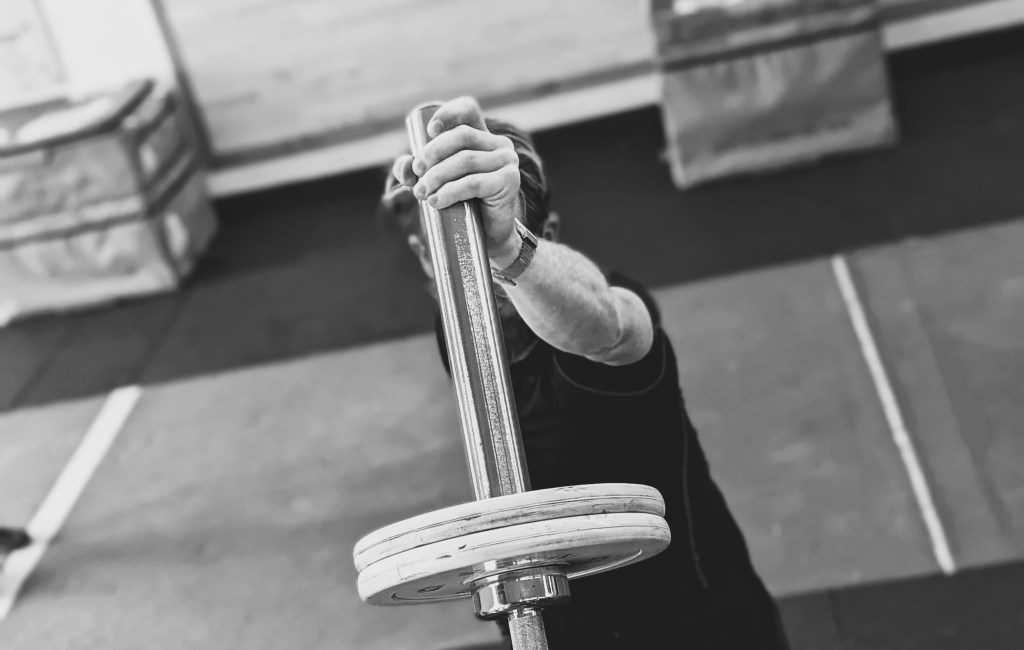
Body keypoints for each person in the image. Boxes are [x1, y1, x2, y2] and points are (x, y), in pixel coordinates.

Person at [379, 97, 790, 649]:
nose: (472, 274)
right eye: (451, 254)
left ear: (547, 233)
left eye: (486, 248)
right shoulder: (453, 328)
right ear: (423, 256)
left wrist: (505, 247)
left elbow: (611, 327)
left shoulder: (598, 312)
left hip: (697, 627)